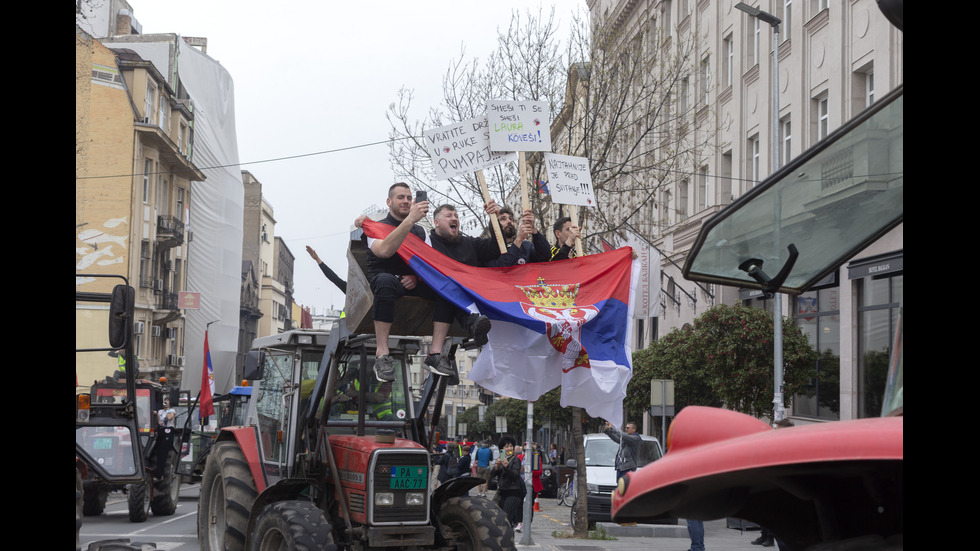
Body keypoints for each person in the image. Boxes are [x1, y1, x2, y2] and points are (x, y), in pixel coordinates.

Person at [357, 183, 491, 381]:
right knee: (385, 282)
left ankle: (437, 354)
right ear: (389, 202)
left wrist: (417, 277)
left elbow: (431, 263)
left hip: (413, 281)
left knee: (444, 286)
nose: (406, 201)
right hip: (386, 280)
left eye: (409, 198)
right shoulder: (375, 227)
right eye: (400, 197)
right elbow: (384, 251)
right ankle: (382, 355)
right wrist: (410, 219)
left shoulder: (421, 232)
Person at [752, 418, 795, 548]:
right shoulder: (776, 447)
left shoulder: (791, 449)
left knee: (786, 537)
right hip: (777, 495)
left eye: (777, 430)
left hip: (787, 498)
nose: (774, 432)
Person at [484, 206, 551, 266]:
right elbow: (501, 268)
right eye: (503, 219)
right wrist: (519, 239)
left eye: (511, 219)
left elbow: (546, 256)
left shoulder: (526, 246)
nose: (509, 221)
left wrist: (534, 231)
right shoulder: (489, 249)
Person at [491, 435, 525, 532]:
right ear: (502, 448)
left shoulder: (515, 460)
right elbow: (492, 477)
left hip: (514, 493)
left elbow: (514, 476)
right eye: (506, 447)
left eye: (511, 446)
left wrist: (506, 466)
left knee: (506, 518)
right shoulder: (501, 458)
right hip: (503, 493)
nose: (509, 448)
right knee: (498, 516)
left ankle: (506, 539)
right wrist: (497, 467)